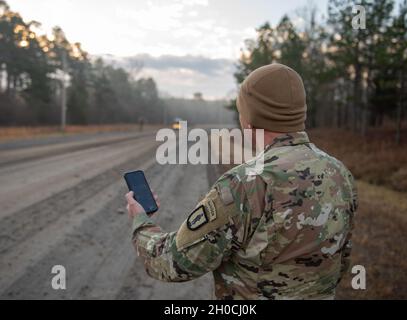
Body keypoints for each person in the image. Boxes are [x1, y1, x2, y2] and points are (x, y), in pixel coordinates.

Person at [125, 63, 358, 300]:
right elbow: (341, 259)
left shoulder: (245, 184)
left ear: (249, 120)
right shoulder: (339, 173)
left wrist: (140, 221)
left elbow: (173, 262)